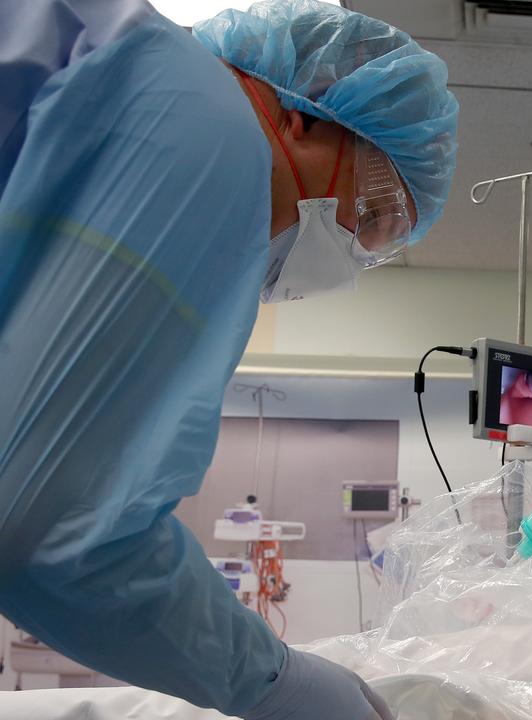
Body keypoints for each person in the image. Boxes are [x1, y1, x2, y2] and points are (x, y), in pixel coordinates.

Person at [0, 1, 457, 719]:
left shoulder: (127, 85)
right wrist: (277, 683)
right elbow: (48, 530)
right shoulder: (208, 132)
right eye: (367, 213)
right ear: (299, 117)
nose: (348, 250)